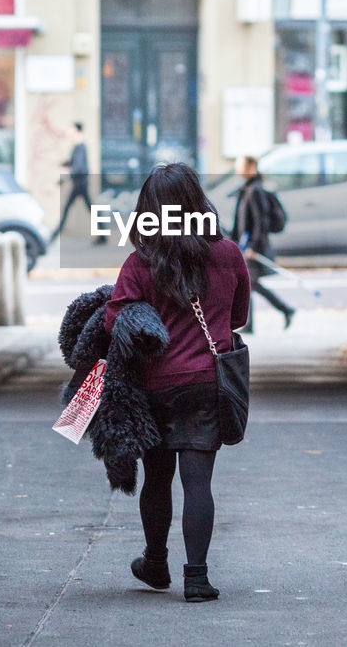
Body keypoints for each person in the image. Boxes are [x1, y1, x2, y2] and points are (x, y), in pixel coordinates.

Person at [104, 162, 251, 602]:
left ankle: (155, 562)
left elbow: (116, 320)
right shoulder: (226, 254)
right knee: (198, 481)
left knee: (157, 477)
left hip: (153, 385)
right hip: (207, 382)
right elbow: (239, 316)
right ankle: (198, 578)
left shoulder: (140, 262)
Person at [231, 155, 294, 332]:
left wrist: (252, 246)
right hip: (245, 246)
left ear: (251, 167)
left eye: (240, 165)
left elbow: (261, 222)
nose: (237, 169)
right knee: (250, 283)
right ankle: (280, 311)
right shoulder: (246, 189)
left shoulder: (256, 191)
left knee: (250, 282)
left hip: (252, 247)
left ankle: (284, 310)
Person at [52, 122, 90, 238]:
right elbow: (76, 163)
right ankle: (102, 235)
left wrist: (66, 177)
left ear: (76, 130)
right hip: (79, 183)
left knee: (67, 208)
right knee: (90, 209)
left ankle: (54, 235)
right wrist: (65, 163)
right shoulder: (78, 146)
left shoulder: (80, 146)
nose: (69, 132)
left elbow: (78, 166)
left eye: (71, 129)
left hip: (80, 183)